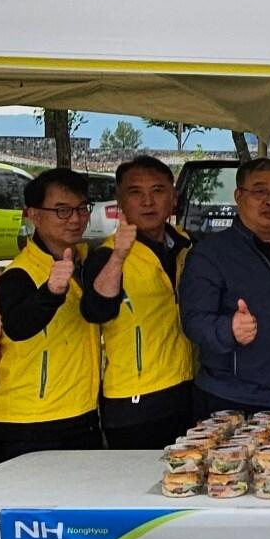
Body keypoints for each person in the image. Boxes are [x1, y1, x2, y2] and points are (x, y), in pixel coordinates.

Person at [179, 158, 270, 417]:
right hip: (232, 401)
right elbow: (194, 322)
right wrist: (228, 329)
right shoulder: (210, 254)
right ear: (238, 196)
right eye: (259, 191)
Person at [80, 155, 195, 449]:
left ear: (173, 197)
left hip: (186, 390)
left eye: (157, 191)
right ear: (120, 201)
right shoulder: (106, 256)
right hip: (134, 401)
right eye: (136, 193)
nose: (148, 202)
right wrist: (119, 256)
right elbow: (96, 310)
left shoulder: (186, 246)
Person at [0, 167, 101, 462]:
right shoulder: (18, 274)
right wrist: (51, 292)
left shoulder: (86, 262)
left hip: (82, 414)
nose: (75, 219)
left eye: (81, 208)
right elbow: (18, 325)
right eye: (62, 210)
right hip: (28, 422)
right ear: (33, 215)